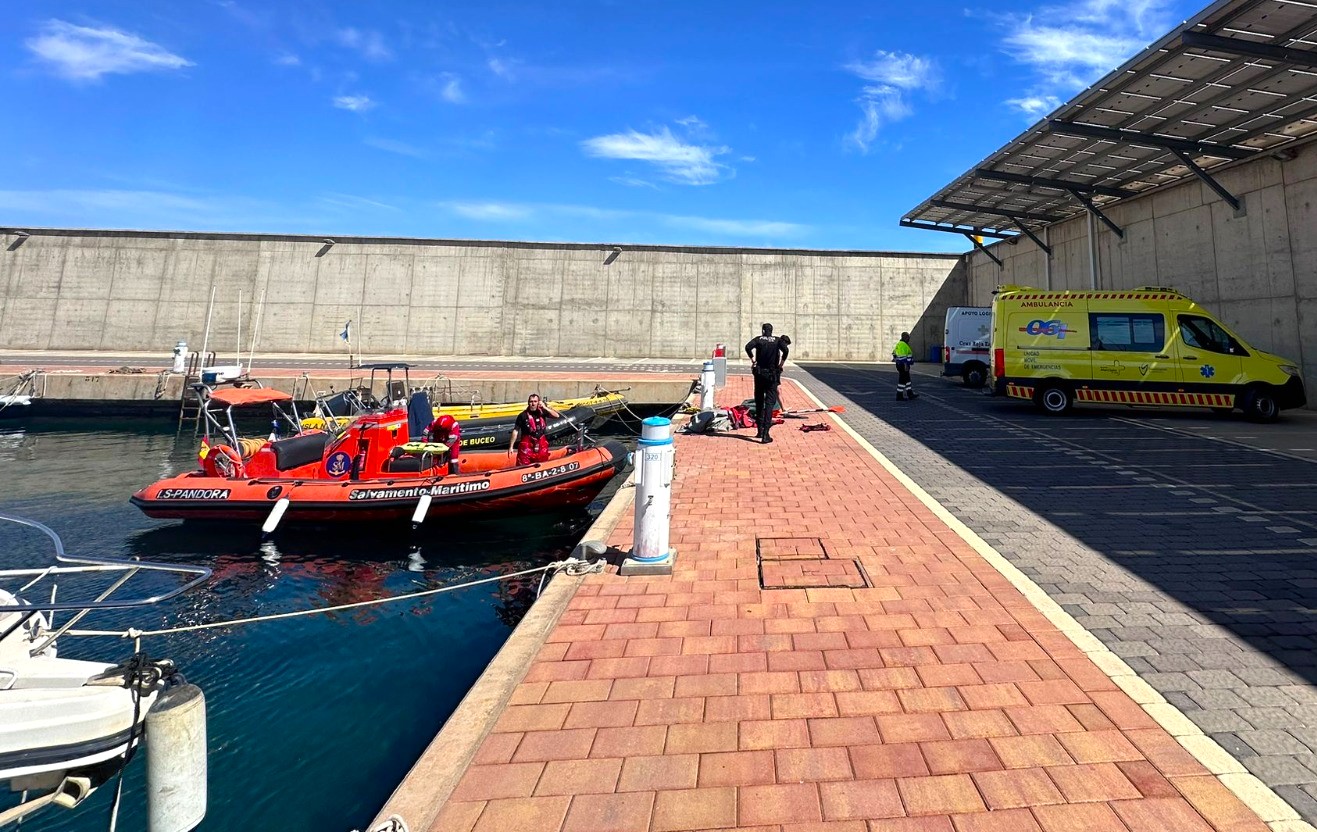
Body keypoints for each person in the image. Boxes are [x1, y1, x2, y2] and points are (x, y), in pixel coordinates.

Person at [745, 323, 788, 444]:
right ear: (772, 331)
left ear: (763, 330)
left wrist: (753, 360)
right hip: (771, 375)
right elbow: (786, 350)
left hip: (759, 374)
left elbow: (748, 347)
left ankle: (759, 430)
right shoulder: (777, 340)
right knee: (769, 403)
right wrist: (781, 364)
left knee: (759, 401)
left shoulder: (759, 339)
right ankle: (766, 434)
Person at [510, 393, 562, 465]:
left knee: (543, 463)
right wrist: (511, 447)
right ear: (528, 403)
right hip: (527, 445)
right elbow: (515, 431)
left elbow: (556, 416)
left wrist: (545, 407)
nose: (533, 404)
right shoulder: (522, 415)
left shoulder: (542, 412)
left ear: (538, 402)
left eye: (535, 401)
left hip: (541, 444)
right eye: (531, 401)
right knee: (523, 463)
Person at [893, 331, 918, 400]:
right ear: (905, 337)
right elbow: (903, 358)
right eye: (908, 337)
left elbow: (894, 353)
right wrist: (906, 365)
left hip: (900, 365)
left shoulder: (899, 344)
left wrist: (897, 360)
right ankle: (899, 396)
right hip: (903, 365)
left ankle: (910, 393)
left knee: (907, 380)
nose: (909, 339)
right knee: (902, 381)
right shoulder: (903, 345)